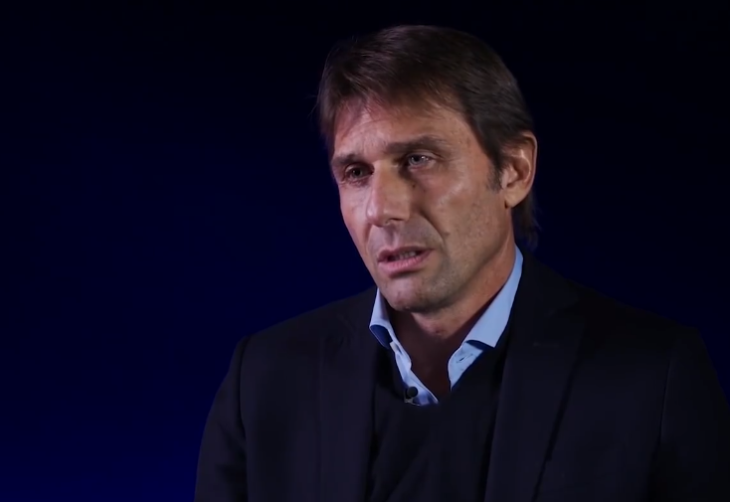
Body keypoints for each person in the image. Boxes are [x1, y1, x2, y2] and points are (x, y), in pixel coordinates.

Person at [193, 25, 730, 502]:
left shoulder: (653, 377)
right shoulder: (264, 380)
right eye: (356, 173)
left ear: (514, 171)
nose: (381, 209)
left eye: (418, 159)